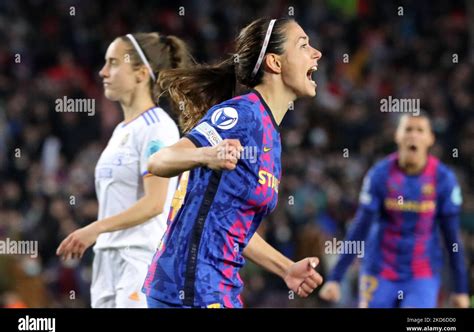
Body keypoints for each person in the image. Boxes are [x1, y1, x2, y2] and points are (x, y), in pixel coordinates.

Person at [142, 18, 324, 308]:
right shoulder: (241, 114)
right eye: (303, 45)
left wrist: (285, 267)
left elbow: (232, 225)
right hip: (189, 290)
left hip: (219, 289)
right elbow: (160, 160)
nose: (317, 53)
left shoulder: (271, 135)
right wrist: (206, 154)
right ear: (275, 63)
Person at [56, 32, 192, 308]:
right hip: (107, 258)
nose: (103, 71)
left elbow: (155, 203)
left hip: (138, 258)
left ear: (141, 73)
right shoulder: (120, 131)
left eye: (113, 63)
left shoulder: (158, 128)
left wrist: (95, 228)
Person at [319, 112, 470, 308]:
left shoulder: (443, 179)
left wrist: (461, 289)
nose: (413, 135)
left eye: (419, 130)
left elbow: (452, 238)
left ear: (430, 138)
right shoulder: (379, 175)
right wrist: (335, 278)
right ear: (397, 136)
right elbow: (360, 228)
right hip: (380, 271)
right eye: (408, 129)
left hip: (421, 275)